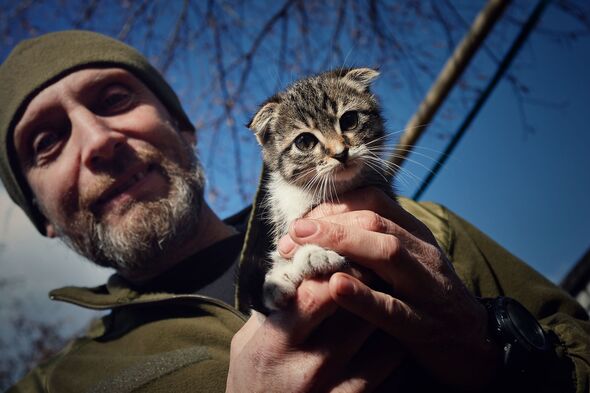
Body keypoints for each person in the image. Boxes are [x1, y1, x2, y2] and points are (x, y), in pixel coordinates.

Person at [1, 30, 588, 393]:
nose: (98, 142)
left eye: (114, 98)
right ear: (39, 215)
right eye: (46, 142)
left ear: (182, 124)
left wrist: (495, 351)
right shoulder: (53, 385)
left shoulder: (426, 229)